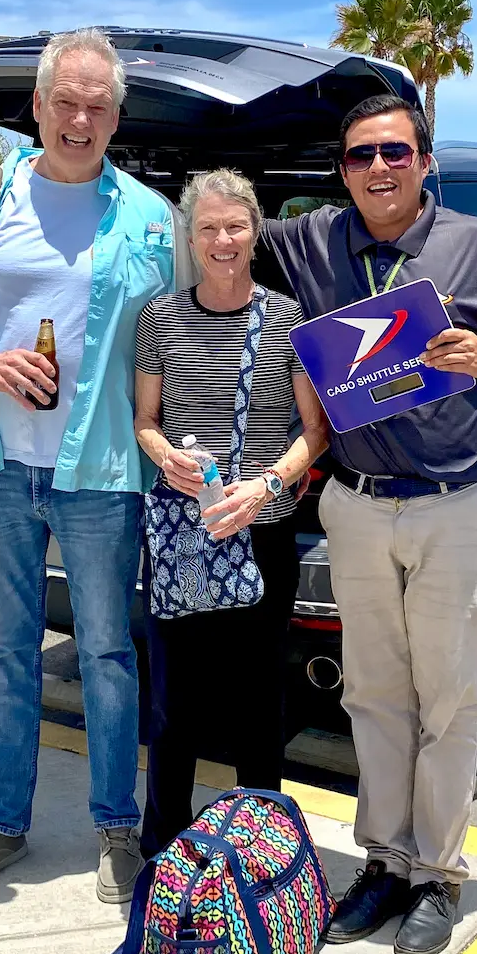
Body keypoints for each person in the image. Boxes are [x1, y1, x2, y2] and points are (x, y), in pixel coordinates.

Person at [261, 94, 477, 954]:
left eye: (394, 152)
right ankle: (385, 863)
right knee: (371, 694)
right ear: (342, 170)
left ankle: (438, 876)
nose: (378, 168)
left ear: (424, 161)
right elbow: (222, 229)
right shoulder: (315, 240)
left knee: (449, 699)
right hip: (358, 506)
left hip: (456, 508)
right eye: (360, 155)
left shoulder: (476, 246)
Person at [0, 27, 175, 905]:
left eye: (98, 106)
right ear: (39, 106)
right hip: (4, 467)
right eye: (66, 102)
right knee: (7, 654)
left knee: (107, 655)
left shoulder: (152, 218)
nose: (80, 119)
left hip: (104, 474)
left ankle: (117, 830)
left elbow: (186, 332)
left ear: (116, 117)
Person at [132, 169, 331, 858]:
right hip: (181, 537)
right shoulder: (160, 317)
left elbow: (316, 432)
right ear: (191, 237)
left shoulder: (286, 318)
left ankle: (261, 848)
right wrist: (165, 459)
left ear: (256, 230)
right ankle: (164, 845)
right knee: (172, 704)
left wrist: (265, 487)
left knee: (257, 706)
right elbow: (145, 421)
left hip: (262, 535)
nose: (223, 240)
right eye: (209, 228)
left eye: (235, 226)